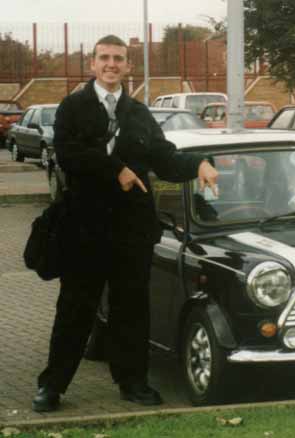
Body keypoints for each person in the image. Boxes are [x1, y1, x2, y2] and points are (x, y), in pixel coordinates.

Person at [32, 35, 218, 412]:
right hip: (84, 229)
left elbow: (164, 158)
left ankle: (133, 383)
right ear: (92, 63)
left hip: (131, 231)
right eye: (104, 57)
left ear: (128, 66)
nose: (111, 64)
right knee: (75, 310)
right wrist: (115, 169)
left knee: (131, 310)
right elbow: (68, 154)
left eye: (118, 58)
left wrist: (199, 163)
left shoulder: (138, 114)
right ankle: (52, 386)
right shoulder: (73, 107)